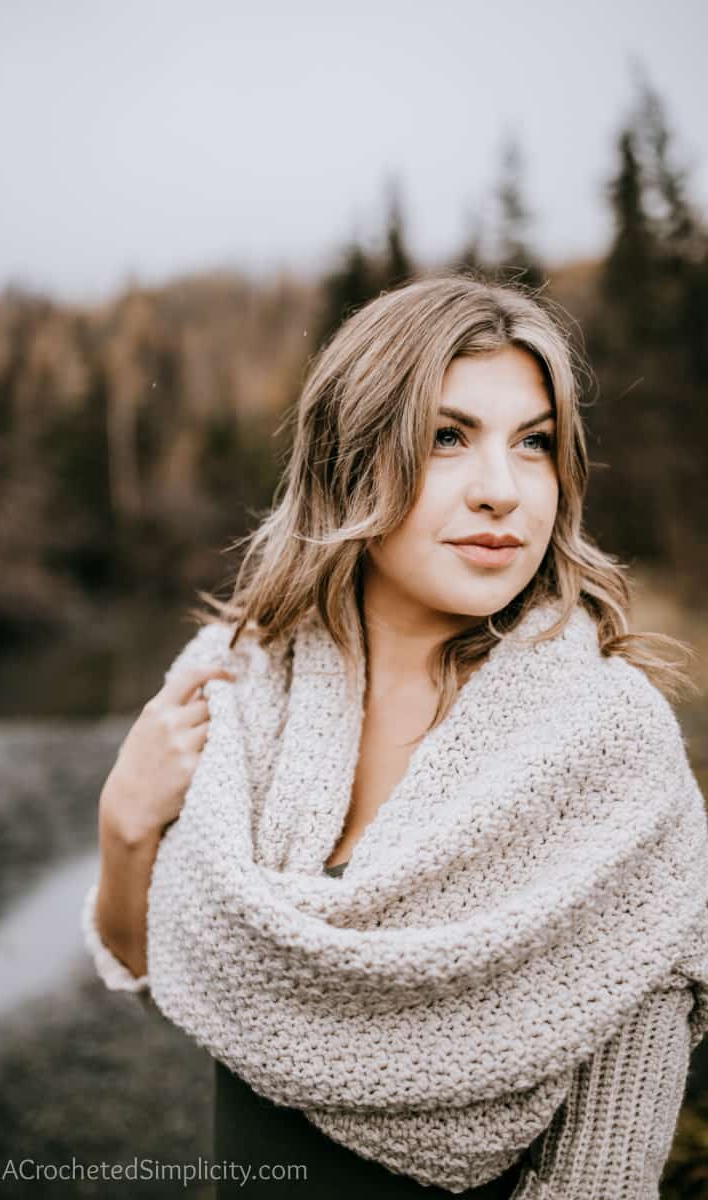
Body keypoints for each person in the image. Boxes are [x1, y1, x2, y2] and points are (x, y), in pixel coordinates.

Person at [81, 271, 708, 1198]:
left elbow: (606, 1171)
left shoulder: (610, 747)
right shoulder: (243, 681)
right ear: (349, 458)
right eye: (448, 437)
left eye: (533, 445)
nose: (502, 491)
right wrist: (125, 826)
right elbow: (151, 970)